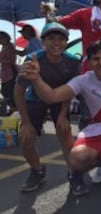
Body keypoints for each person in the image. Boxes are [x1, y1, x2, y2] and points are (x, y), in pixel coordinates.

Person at [20, 38, 101, 195]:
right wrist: (36, 78)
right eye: (96, 59)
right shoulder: (83, 80)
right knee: (76, 159)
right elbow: (51, 96)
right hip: (100, 130)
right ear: (89, 63)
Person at [14, 22, 80, 193]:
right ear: (43, 41)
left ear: (66, 42)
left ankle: (74, 173)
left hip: (60, 98)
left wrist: (63, 115)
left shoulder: (72, 62)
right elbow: (19, 92)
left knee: (65, 132)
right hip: (34, 98)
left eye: (60, 39)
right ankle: (37, 171)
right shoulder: (32, 59)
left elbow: (70, 89)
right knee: (26, 138)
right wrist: (26, 123)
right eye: (51, 38)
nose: (56, 43)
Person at [0, 31, 17, 109]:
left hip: (10, 71)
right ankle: (11, 107)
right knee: (4, 91)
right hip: (5, 72)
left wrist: (2, 60)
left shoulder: (9, 47)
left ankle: (13, 108)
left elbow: (11, 60)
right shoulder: (4, 47)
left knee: (10, 92)